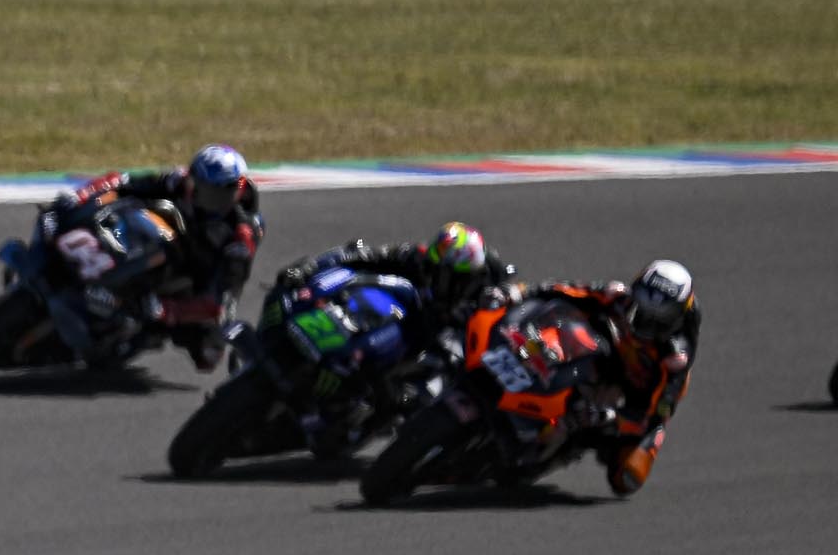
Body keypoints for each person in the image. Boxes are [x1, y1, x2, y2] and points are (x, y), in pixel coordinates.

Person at [48, 143, 260, 364]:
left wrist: (167, 310)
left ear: (238, 189)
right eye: (201, 189)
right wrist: (82, 196)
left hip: (197, 280)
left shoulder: (240, 237)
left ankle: (131, 331)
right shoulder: (180, 182)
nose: (204, 199)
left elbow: (220, 300)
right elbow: (124, 181)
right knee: (115, 207)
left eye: (216, 194)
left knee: (209, 352)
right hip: (161, 245)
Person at [555, 260, 701, 493]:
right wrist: (520, 292)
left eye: (657, 321)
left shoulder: (675, 359)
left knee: (628, 476)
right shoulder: (620, 296)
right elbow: (572, 290)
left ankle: (585, 439)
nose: (644, 324)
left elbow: (652, 415)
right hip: (616, 354)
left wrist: (613, 417)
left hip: (641, 391)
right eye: (641, 311)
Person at [297, 221, 515, 319]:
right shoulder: (420, 257)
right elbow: (371, 254)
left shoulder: (491, 276)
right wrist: (314, 266)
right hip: (403, 318)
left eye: (443, 252)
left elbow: (514, 295)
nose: (434, 256)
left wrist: (504, 295)